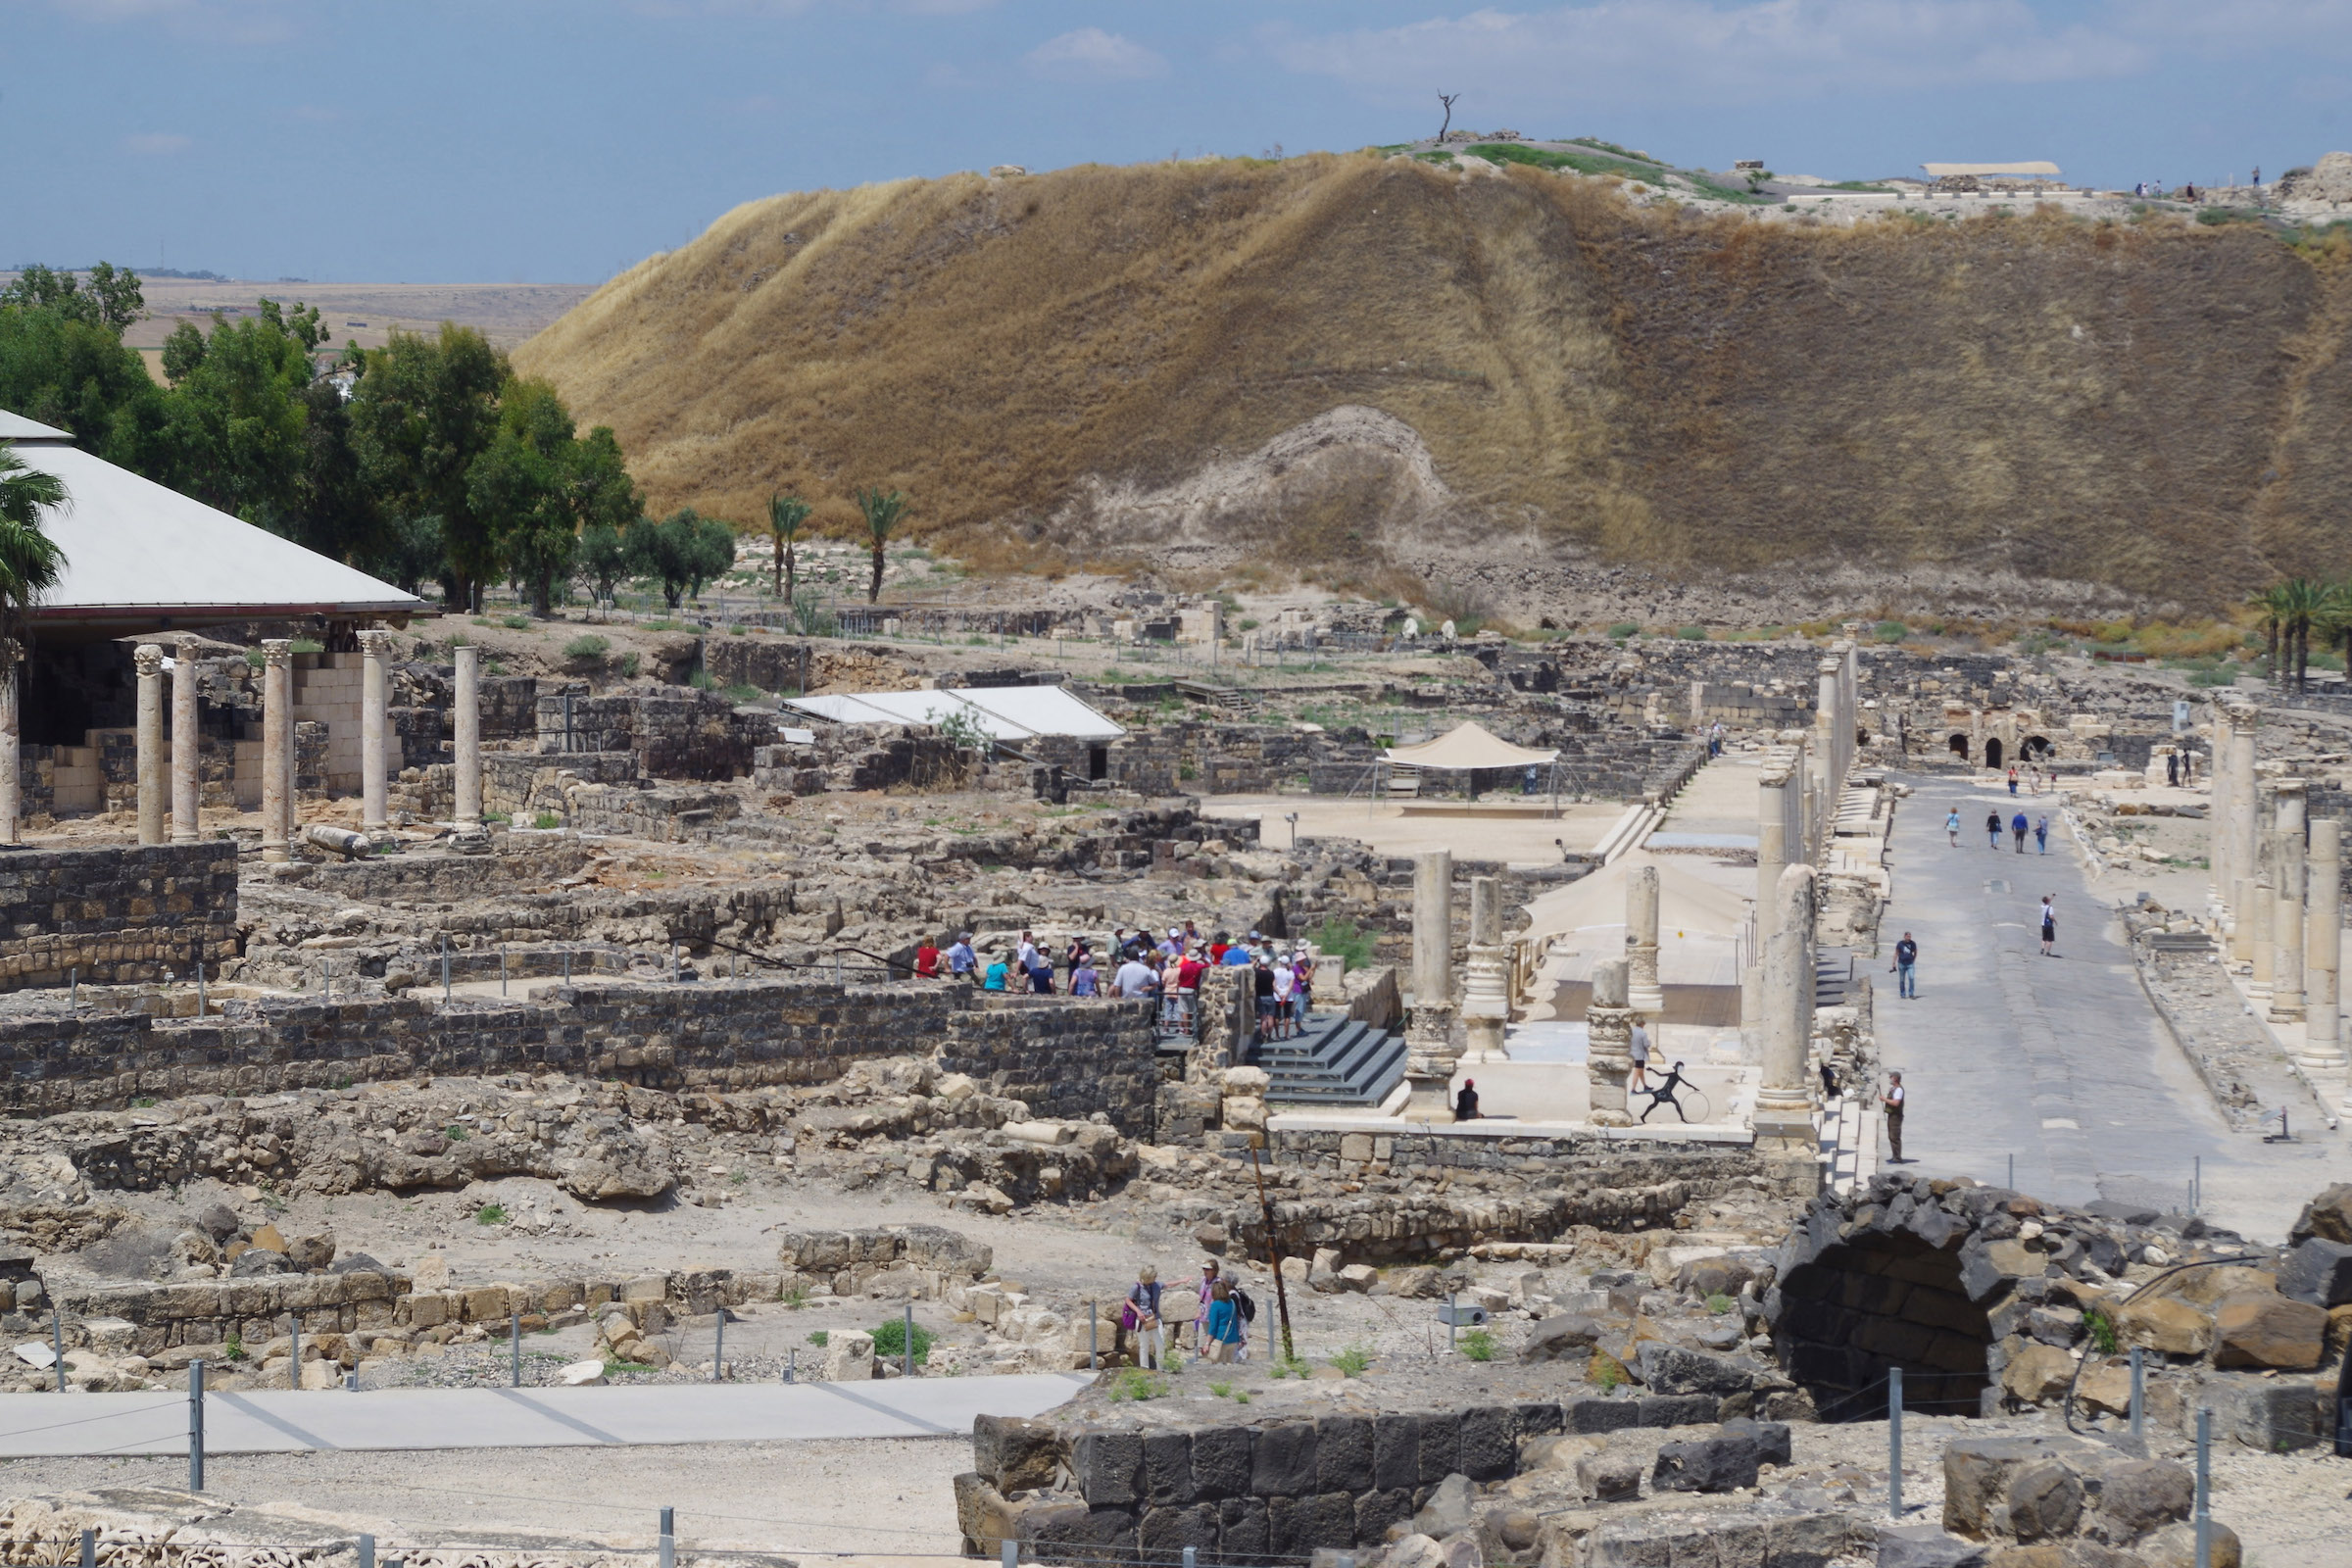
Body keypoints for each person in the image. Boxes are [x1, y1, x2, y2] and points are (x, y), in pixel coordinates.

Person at [1119, 1264, 1164, 1370]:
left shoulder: (1155, 1285)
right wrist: (1138, 1311)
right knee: (1144, 1346)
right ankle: (1144, 1369)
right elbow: (1128, 1300)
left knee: (1160, 1343)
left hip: (1155, 1318)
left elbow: (1167, 1285)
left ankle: (1161, 1369)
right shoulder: (1137, 1287)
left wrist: (1182, 1281)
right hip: (1142, 1320)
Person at [1637, 1059, 1692, 1123]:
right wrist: (1652, 1070)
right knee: (1675, 1103)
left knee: (1654, 1104)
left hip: (1664, 1092)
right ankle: (1682, 1118)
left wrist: (1694, 1088)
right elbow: (1660, 1075)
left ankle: (1643, 1116)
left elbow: (1686, 1084)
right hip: (1665, 1093)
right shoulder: (1675, 1076)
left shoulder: (1676, 1076)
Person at [1202, 1279, 1244, 1363]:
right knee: (1230, 1366)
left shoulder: (1215, 1305)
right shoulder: (1232, 1302)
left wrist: (1207, 1343)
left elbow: (1213, 1327)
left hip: (1221, 1340)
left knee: (1219, 1367)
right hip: (1233, 1340)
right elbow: (1236, 1322)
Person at [1271, 954, 1297, 1040]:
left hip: (1277, 996)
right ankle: (1286, 1034)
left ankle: (1277, 1035)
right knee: (1287, 1015)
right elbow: (1291, 986)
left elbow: (1273, 984)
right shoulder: (1290, 972)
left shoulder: (1275, 971)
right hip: (1288, 996)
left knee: (1277, 1015)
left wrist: (1279, 994)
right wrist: (1285, 995)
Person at [1883, 1070, 1906, 1162]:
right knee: (1891, 1136)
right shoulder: (1893, 1089)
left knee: (1895, 1136)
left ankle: (1898, 1157)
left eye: (1891, 1077)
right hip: (1892, 1115)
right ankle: (1894, 1155)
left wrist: (1885, 1099)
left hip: (1896, 1116)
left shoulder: (1899, 1090)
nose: (1890, 1078)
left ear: (1895, 1078)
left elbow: (1896, 1103)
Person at [1628, 1015, 1651, 1093]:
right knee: (1637, 1072)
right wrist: (1649, 1043)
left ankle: (1645, 1085)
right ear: (1642, 1024)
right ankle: (1633, 1089)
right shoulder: (1643, 1033)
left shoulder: (1631, 1031)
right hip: (1640, 1056)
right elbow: (1646, 1044)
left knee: (1641, 1072)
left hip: (1632, 1054)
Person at [1891, 931, 1918, 1000]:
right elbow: (1896, 953)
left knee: (1911, 978)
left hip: (1910, 964)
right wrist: (1894, 963)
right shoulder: (1900, 944)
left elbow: (1915, 952)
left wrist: (1913, 960)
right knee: (1902, 980)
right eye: (1908, 936)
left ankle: (1911, 993)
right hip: (1901, 964)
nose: (1909, 937)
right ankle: (1902, 994)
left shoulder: (1913, 943)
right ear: (1905, 936)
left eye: (1910, 936)